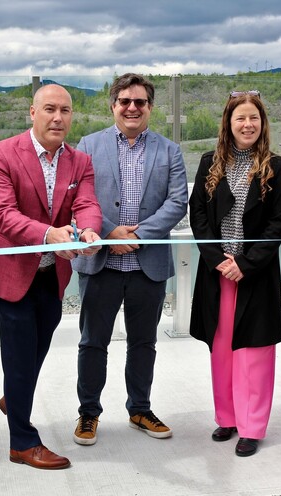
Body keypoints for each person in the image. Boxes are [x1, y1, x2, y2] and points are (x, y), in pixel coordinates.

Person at [0, 83, 102, 470]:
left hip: (52, 272)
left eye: (65, 110)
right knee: (19, 351)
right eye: (49, 109)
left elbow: (87, 203)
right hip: (11, 273)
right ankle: (22, 442)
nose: (58, 117)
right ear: (33, 112)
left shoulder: (79, 161)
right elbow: (3, 215)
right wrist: (50, 234)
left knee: (38, 346)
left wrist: (90, 232)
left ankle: (14, 396)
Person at [72, 73, 188, 446]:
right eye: (125, 101)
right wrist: (110, 234)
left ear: (150, 108)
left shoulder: (169, 151)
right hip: (101, 263)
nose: (132, 108)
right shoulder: (88, 146)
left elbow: (176, 202)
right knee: (93, 342)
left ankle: (139, 408)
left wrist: (137, 235)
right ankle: (88, 413)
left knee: (143, 343)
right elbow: (78, 199)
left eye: (140, 102)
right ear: (113, 106)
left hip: (147, 265)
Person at [189, 90, 281, 457]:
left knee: (254, 350)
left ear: (262, 123)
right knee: (221, 348)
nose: (247, 124)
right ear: (228, 124)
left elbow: (279, 223)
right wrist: (217, 258)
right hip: (217, 272)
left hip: (255, 273)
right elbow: (198, 216)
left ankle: (251, 426)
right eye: (240, 118)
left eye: (254, 118)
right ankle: (228, 417)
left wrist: (245, 264)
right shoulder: (209, 163)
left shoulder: (276, 166)